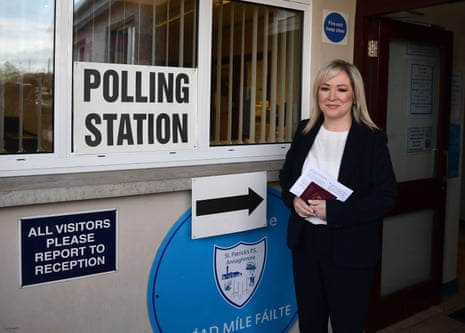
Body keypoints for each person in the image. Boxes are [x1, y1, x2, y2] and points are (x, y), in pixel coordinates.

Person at [279, 59, 397, 332]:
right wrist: (293, 201)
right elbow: (287, 177)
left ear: (355, 95)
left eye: (341, 89)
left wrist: (333, 212)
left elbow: (386, 197)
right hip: (306, 244)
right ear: (317, 93)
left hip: (350, 248)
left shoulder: (371, 138)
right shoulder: (305, 130)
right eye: (325, 88)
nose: (332, 97)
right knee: (311, 324)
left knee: (348, 325)